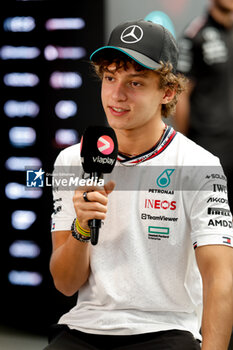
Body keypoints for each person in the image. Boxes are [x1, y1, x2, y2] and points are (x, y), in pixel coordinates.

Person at [44, 19, 233, 350]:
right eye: (110, 78)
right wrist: (81, 227)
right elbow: (65, 284)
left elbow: (220, 280)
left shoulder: (198, 165)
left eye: (135, 83)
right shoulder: (73, 161)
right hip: (84, 328)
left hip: (167, 330)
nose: (117, 95)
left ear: (168, 91)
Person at [175, 0, 233, 213]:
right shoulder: (195, 35)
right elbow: (180, 94)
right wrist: (187, 144)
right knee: (212, 216)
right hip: (209, 145)